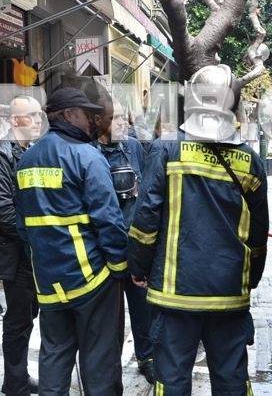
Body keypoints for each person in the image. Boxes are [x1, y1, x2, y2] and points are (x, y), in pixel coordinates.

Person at [129, 65, 269, 396]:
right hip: (228, 292)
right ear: (232, 105)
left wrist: (139, 265)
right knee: (232, 378)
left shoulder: (166, 149)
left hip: (175, 293)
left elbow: (146, 216)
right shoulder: (249, 161)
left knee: (173, 378)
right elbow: (259, 234)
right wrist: (248, 279)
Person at [14, 87, 128, 395]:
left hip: (49, 281)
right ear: (67, 115)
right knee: (99, 360)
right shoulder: (87, 156)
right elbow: (109, 220)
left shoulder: (27, 160)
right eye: (85, 114)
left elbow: (22, 225)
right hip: (92, 279)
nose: (92, 120)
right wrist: (119, 266)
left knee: (54, 355)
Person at [0, 96, 44, 396]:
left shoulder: (26, 152)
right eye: (31, 115)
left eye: (39, 114)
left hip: (28, 251)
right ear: (15, 120)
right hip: (14, 252)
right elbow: (1, 211)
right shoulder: (0, 156)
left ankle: (18, 376)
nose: (38, 119)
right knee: (18, 318)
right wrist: (37, 234)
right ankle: (15, 382)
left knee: (27, 314)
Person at [91, 97, 154, 385]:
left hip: (135, 247)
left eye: (123, 118)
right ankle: (107, 367)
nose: (121, 123)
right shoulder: (90, 153)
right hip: (104, 250)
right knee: (108, 318)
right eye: (115, 117)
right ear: (98, 120)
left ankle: (147, 357)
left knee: (143, 308)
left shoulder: (133, 147)